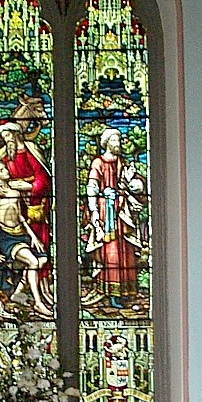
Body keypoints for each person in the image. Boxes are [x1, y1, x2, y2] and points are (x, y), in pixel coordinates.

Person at [0, 120, 53, 307]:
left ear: (15, 134)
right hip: (11, 215)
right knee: (32, 257)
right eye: (3, 137)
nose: (6, 141)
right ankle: (34, 295)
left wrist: (31, 186)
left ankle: (42, 288)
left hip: (34, 207)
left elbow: (43, 177)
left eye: (8, 136)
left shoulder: (31, 150)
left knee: (41, 249)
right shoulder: (4, 156)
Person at [84, 128, 144, 308]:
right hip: (106, 212)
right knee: (110, 252)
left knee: (126, 251)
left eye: (119, 140)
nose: (118, 144)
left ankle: (126, 291)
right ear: (107, 143)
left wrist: (131, 183)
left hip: (122, 213)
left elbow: (132, 184)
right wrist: (94, 210)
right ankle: (109, 293)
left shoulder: (122, 162)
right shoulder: (98, 163)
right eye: (115, 141)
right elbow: (92, 187)